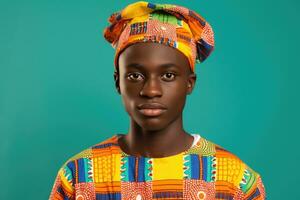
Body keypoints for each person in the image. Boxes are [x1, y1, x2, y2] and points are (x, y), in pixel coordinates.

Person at [49, 1, 266, 199]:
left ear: (189, 83)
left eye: (168, 76)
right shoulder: (78, 178)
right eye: (135, 76)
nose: (151, 90)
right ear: (118, 82)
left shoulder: (235, 183)